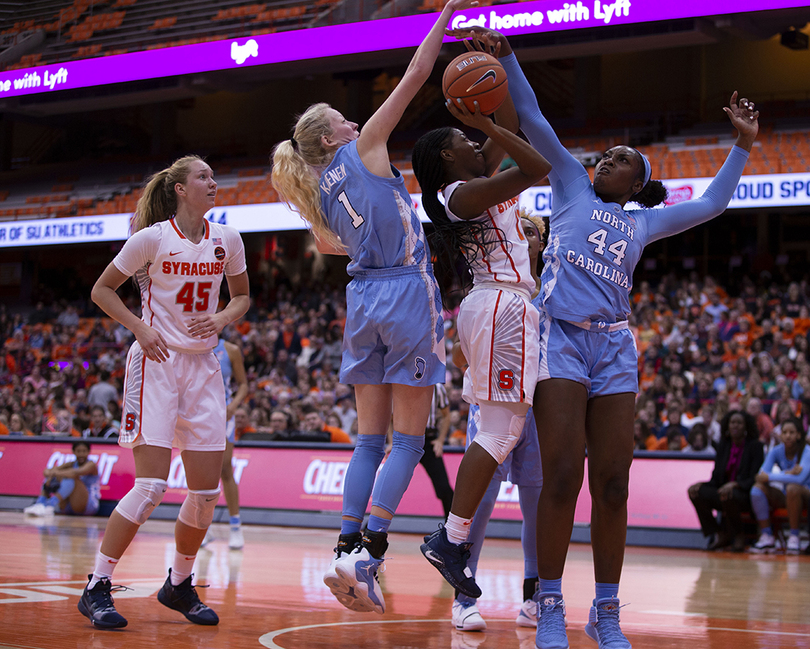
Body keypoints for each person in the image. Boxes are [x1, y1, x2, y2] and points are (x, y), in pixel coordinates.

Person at [451, 26, 759, 649]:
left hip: (615, 347)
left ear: (637, 181)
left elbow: (716, 205)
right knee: (562, 475)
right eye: (604, 156)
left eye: (620, 160)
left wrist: (742, 147)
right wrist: (510, 59)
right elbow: (533, 117)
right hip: (559, 340)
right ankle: (551, 607)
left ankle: (608, 611)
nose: (605, 161)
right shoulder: (567, 182)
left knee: (613, 483)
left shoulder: (644, 224)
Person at [271, 0, 476, 615]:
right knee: (409, 443)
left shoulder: (318, 189)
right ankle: (370, 551)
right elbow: (416, 76)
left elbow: (332, 246)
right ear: (333, 135)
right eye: (342, 117)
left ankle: (344, 547)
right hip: (405, 293)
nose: (353, 118)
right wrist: (444, 16)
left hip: (360, 299)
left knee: (367, 442)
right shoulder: (366, 148)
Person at [78, 154, 250, 630]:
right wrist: (139, 328)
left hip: (204, 366)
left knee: (205, 493)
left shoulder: (227, 239)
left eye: (214, 176)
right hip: (155, 363)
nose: (213, 183)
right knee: (152, 486)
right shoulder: (151, 238)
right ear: (179, 188)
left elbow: (242, 296)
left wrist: (220, 318)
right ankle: (96, 586)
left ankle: (179, 583)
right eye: (203, 177)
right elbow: (102, 290)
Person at [412, 48, 551, 602]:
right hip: (500, 307)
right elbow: (536, 165)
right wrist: (482, 121)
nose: (472, 143)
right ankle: (450, 539)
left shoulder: (473, 179)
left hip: (498, 308)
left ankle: (452, 538)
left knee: (500, 430)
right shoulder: (462, 194)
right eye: (462, 140)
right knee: (497, 433)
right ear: (446, 159)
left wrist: (503, 64)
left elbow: (515, 122)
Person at [446, 213, 546, 633]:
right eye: (517, 229)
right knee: (479, 505)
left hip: (540, 409)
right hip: (492, 404)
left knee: (537, 509)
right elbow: (456, 357)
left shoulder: (551, 291)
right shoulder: (490, 289)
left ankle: (535, 598)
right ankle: (463, 596)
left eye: (530, 231)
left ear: (540, 243)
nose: (522, 235)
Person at [688, 410, 763, 552]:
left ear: (746, 426)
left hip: (745, 493)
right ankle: (719, 534)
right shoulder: (724, 445)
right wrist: (701, 485)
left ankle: (739, 535)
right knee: (695, 492)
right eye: (732, 422)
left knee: (729, 494)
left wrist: (736, 484)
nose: (735, 425)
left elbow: (754, 477)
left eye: (739, 423)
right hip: (723, 491)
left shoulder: (755, 446)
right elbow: (716, 478)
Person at [202, 336, 249, 550]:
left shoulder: (230, 349)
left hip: (224, 412)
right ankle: (204, 526)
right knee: (201, 472)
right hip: (199, 413)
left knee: (225, 468)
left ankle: (235, 526)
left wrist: (235, 405)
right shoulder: (189, 346)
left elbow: (243, 385)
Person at [748, 418, 810, 554]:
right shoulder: (776, 451)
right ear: (780, 435)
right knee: (758, 488)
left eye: (791, 432)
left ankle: (794, 536)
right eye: (784, 432)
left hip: (806, 496)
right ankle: (767, 536)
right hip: (787, 495)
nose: (787, 435)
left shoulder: (807, 451)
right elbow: (761, 475)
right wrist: (787, 473)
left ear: (799, 435)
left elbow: (799, 480)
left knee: (792, 488)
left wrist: (771, 476)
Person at [23, 440, 100, 517]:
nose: (81, 454)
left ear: (89, 452)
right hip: (70, 505)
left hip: (88, 506)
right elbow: (46, 471)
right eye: (78, 451)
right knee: (58, 475)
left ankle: (50, 504)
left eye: (84, 451)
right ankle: (40, 503)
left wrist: (54, 473)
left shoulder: (91, 465)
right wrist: (52, 475)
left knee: (71, 477)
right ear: (73, 452)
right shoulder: (71, 464)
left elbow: (74, 473)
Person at [420, 383, 455, 519]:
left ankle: (450, 529)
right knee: (391, 486)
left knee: (444, 488)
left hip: (429, 440)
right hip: (406, 440)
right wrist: (392, 442)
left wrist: (440, 440)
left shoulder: (438, 388)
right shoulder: (402, 382)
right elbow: (391, 417)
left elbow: (447, 415)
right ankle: (375, 525)